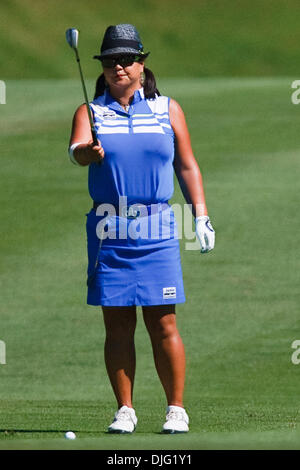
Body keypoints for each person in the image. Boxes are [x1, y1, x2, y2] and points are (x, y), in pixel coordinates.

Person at [68, 23, 215, 434]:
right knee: (117, 323)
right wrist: (87, 152)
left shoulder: (167, 108)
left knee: (163, 320)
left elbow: (186, 164)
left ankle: (175, 409)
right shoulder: (91, 111)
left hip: (158, 225)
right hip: (108, 227)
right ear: (103, 66)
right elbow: (77, 150)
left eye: (127, 59)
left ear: (142, 63)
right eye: (111, 60)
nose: (119, 67)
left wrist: (200, 215)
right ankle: (126, 410)